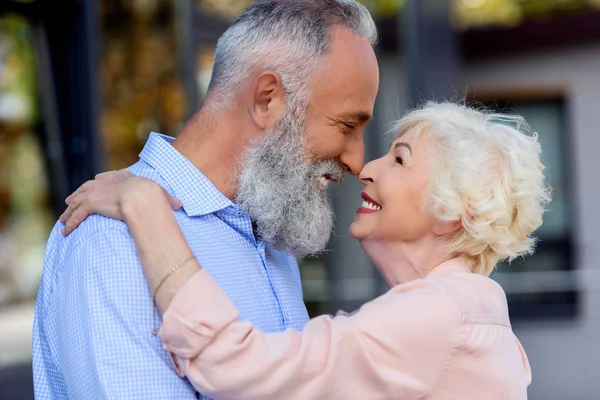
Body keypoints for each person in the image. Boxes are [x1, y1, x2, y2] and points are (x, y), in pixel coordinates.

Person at [62, 101, 551, 399]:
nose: (368, 169)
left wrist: (145, 205)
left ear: (451, 212)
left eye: (401, 160)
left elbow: (232, 364)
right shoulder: (473, 319)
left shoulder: (438, 316)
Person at [31, 1, 379, 398]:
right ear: (268, 98)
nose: (357, 161)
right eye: (347, 125)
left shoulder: (265, 229)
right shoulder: (114, 239)